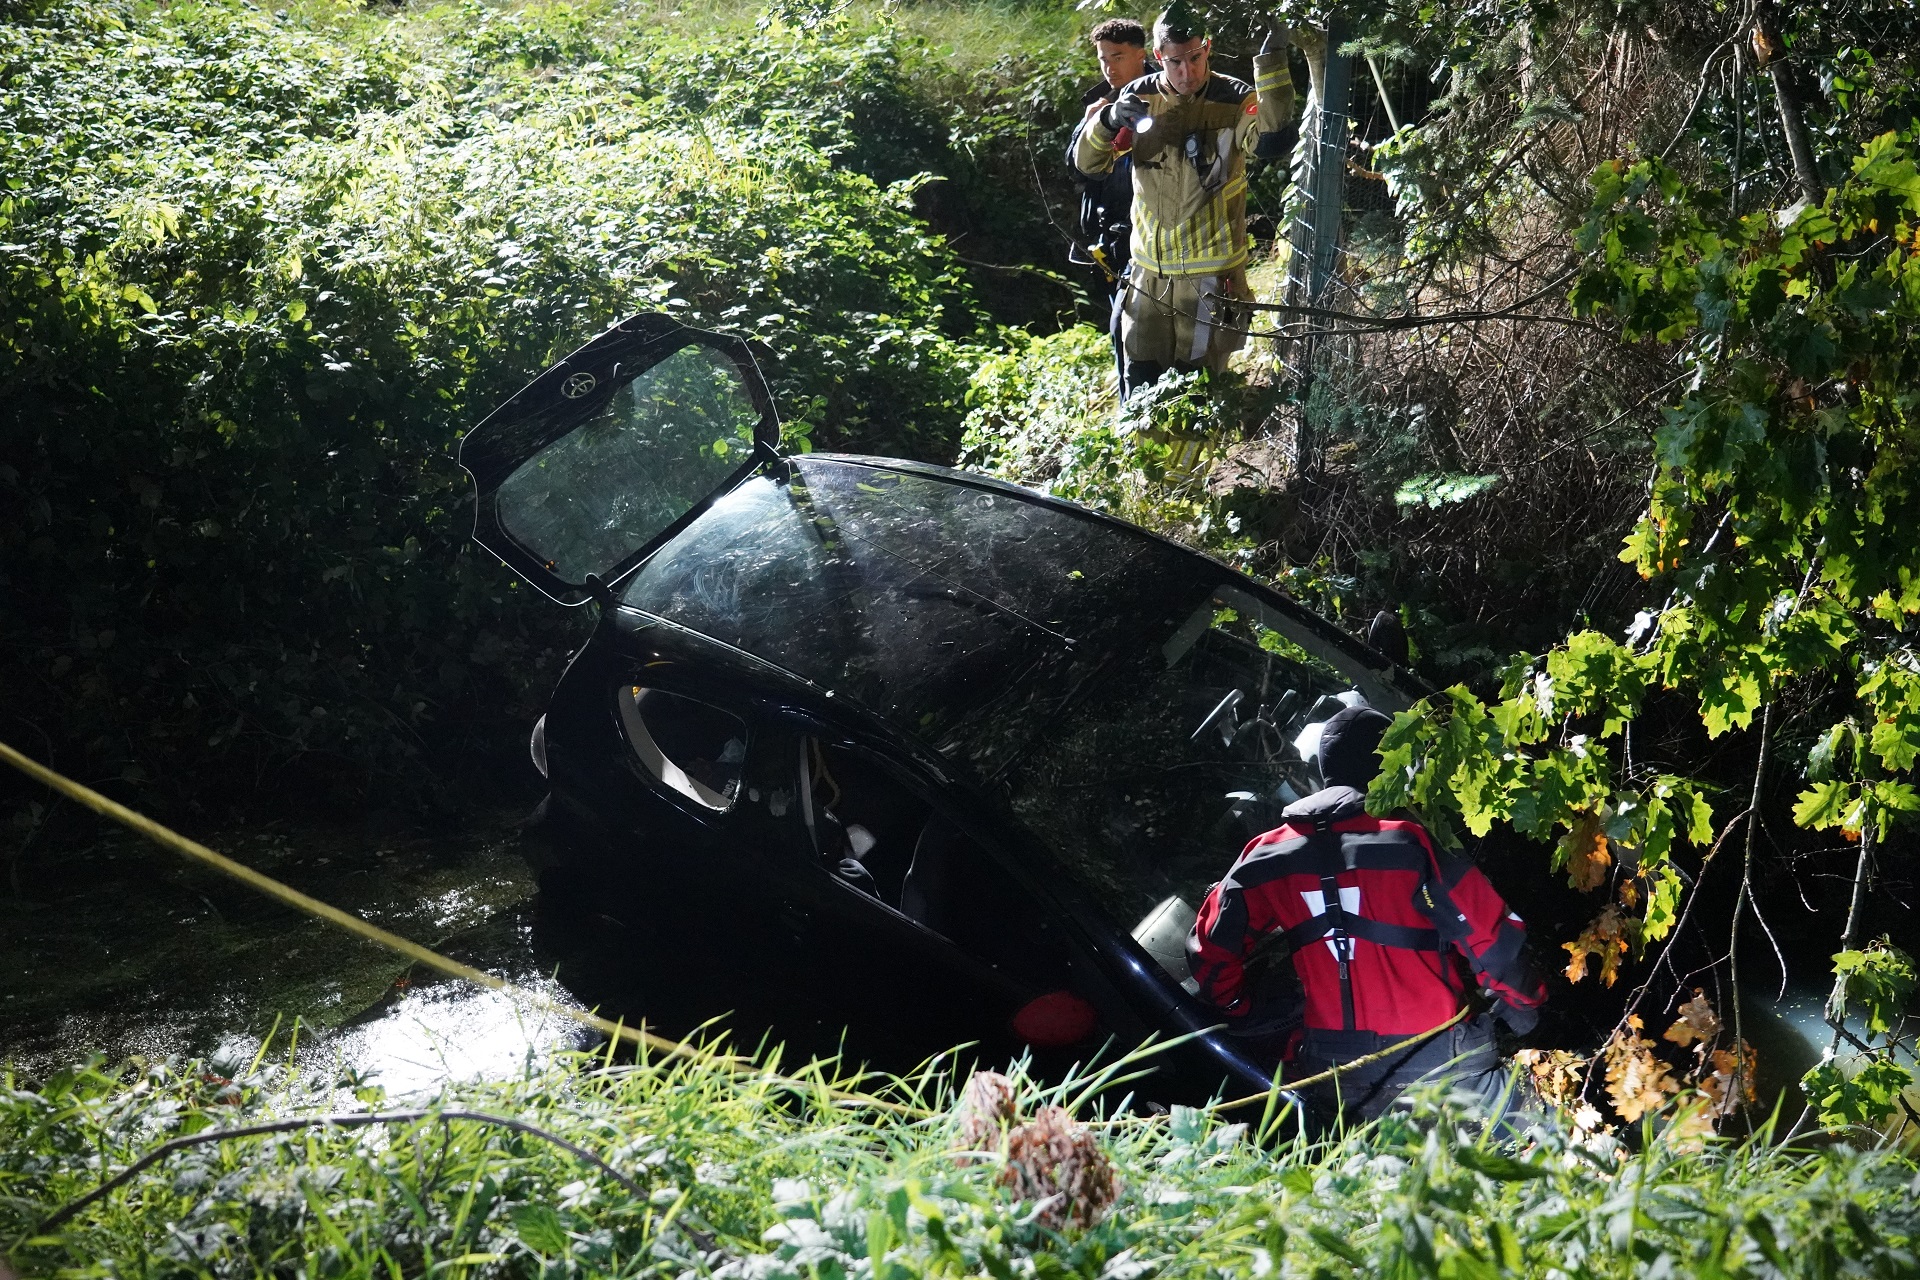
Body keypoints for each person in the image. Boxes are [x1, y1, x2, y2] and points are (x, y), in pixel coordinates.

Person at [1188, 705, 1546, 1129]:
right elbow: (1493, 939)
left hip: (1339, 1080)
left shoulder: (1263, 855)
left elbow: (1209, 953)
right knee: (1572, 1157)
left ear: (1325, 770)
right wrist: (1524, 1010)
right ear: (1386, 768)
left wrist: (1238, 1003)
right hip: (1442, 1067)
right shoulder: (1408, 840)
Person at [1073, 1, 1295, 400]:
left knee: (1196, 393)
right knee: (1142, 384)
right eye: (1175, 62)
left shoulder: (1234, 99)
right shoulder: (1137, 97)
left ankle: (1189, 465)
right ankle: (1149, 464)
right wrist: (1107, 121)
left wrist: (1272, 62)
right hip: (1148, 276)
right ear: (1158, 57)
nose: (1187, 72)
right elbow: (1087, 165)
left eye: (1195, 58)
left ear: (1207, 47)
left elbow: (1272, 143)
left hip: (1210, 277)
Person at [1065, 18, 1152, 387]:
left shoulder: (1167, 94)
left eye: (1117, 56)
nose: (1109, 67)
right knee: (1122, 332)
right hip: (1112, 242)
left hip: (1152, 237)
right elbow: (1077, 169)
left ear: (1142, 55)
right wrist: (1096, 126)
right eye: (1102, 58)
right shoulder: (1099, 104)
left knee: (1129, 330)